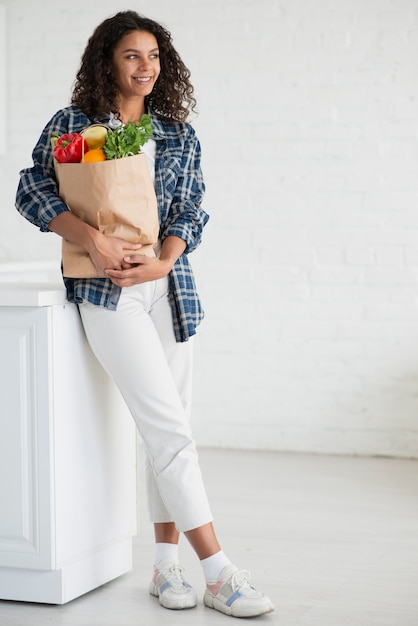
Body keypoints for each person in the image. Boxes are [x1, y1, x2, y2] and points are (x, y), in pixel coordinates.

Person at [15, 10, 274, 619]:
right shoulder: (78, 127)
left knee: (171, 429)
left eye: (154, 56)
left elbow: (191, 208)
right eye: (132, 55)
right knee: (170, 433)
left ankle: (165, 567)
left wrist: (164, 260)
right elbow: (34, 187)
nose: (146, 67)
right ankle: (219, 571)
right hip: (108, 295)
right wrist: (93, 240)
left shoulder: (178, 134)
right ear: (108, 61)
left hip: (169, 288)